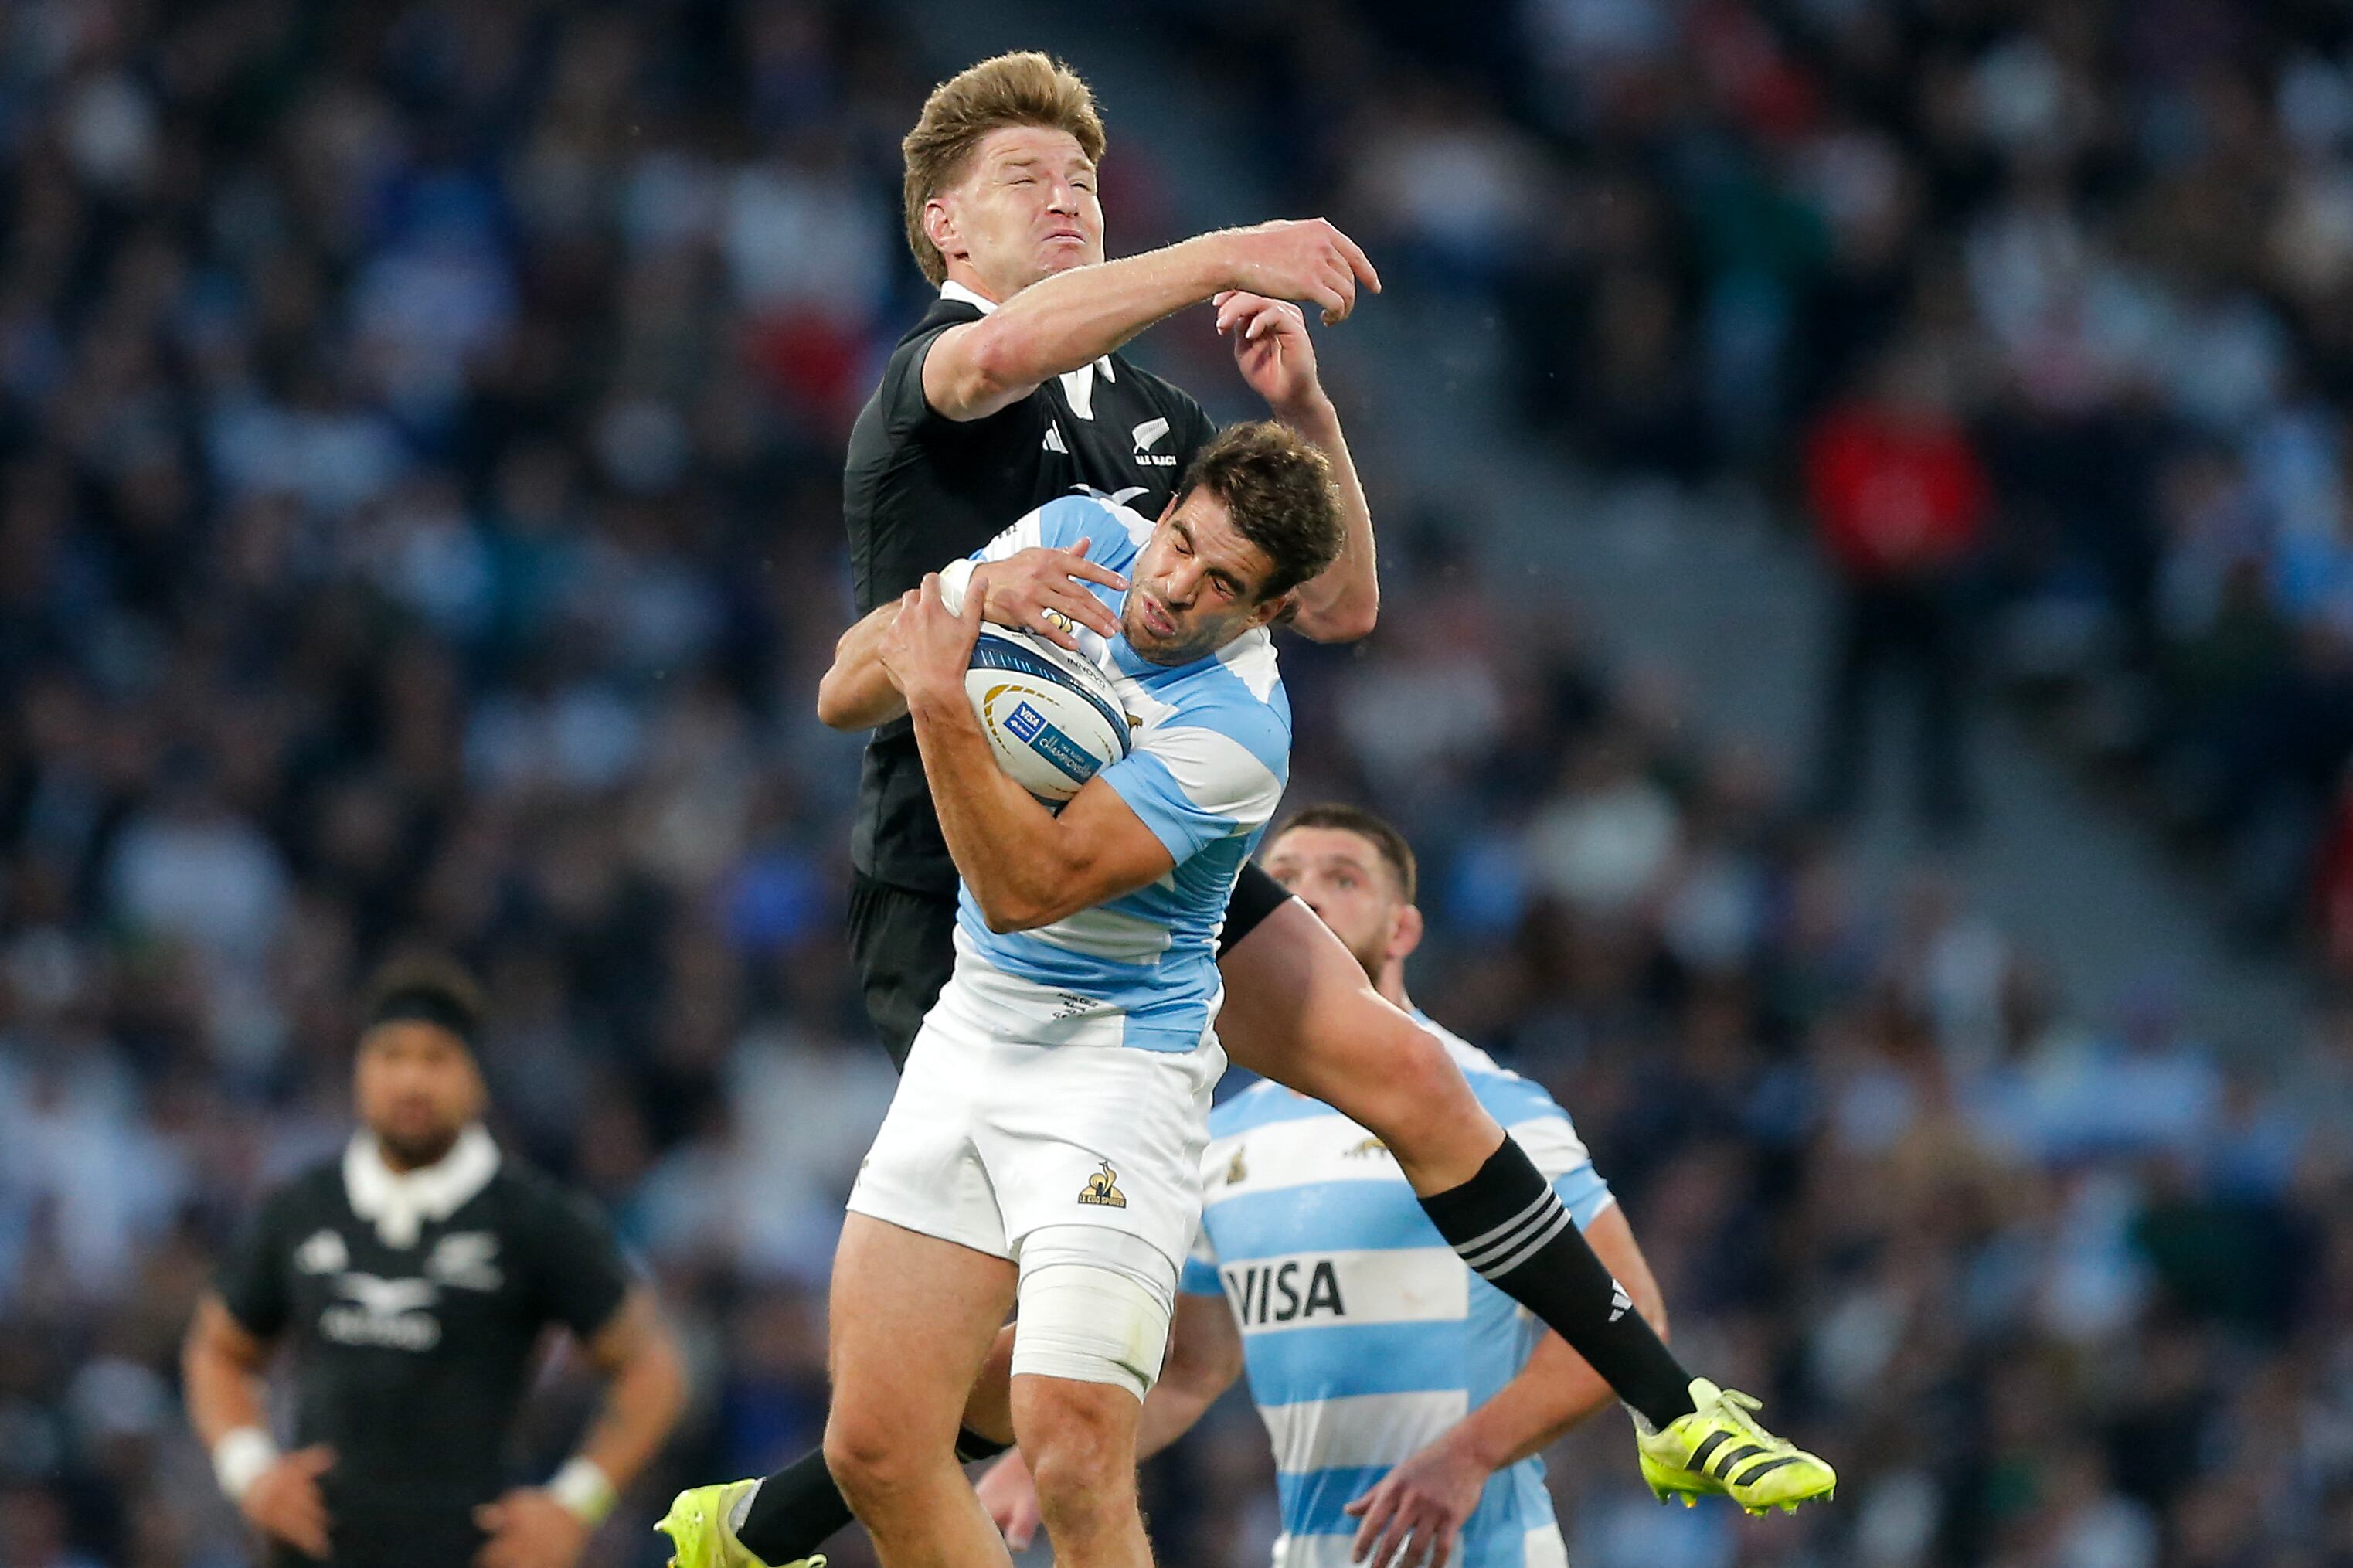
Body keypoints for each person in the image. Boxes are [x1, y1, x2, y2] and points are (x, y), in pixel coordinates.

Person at [658, 49, 1830, 1568]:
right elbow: (994, 372)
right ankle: (773, 1517)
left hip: (1148, 857)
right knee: (1008, 1364)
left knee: (1402, 1078)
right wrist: (1223, 248)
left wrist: (1306, 409)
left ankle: (1668, 1404)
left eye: (1084, 175)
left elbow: (1334, 602)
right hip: (966, 884)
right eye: (1025, 178)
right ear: (944, 224)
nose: (1068, 196)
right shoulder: (940, 374)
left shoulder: (1151, 416)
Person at [828, 425, 1342, 1568]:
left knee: (1071, 1449)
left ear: (1267, 611)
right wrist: (968, 593)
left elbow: (1028, 888)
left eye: (1224, 584)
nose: (1176, 586)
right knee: (875, 1449)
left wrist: (944, 698)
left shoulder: (1238, 729)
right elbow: (841, 692)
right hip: (973, 1033)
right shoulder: (1074, 535)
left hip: (1115, 1074)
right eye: (1181, 542)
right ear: (1166, 509)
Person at [974, 804, 1681, 1568]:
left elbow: (1631, 1313)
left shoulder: (1485, 1107)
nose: (1305, 896)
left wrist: (1468, 1455)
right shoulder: (1221, 1136)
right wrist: (1034, 1461)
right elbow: (1190, 1370)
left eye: (1343, 879)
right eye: (1282, 879)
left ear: (1403, 930)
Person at [182, 958, 686, 1568]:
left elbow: (652, 1367)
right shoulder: (303, 1209)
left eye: (436, 1058)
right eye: (391, 1055)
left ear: (478, 1080)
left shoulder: (532, 1217)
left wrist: (573, 1505)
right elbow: (218, 1349)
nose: (411, 1080)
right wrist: (251, 1472)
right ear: (358, 1072)